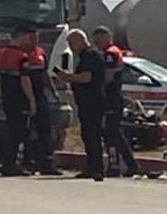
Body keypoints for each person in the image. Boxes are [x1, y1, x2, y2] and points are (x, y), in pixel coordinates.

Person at [55, 29, 106, 181]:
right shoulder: (85, 56)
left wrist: (67, 77)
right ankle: (91, 167)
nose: (70, 47)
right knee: (88, 135)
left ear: (80, 40)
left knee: (92, 135)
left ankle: (96, 168)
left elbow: (86, 78)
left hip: (93, 102)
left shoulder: (90, 55)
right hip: (86, 102)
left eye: (71, 43)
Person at [93, 26, 140, 178]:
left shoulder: (110, 54)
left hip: (110, 99)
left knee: (110, 134)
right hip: (115, 98)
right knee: (117, 134)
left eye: (98, 39)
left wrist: (97, 88)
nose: (96, 43)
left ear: (107, 37)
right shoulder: (114, 52)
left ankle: (114, 166)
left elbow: (108, 76)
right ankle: (132, 165)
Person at [0, 24, 34, 176]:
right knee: (19, 132)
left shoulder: (2, 53)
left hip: (7, 97)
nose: (30, 41)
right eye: (28, 37)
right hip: (19, 98)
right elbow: (25, 80)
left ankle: (6, 163)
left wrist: (0, 96)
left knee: (10, 130)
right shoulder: (22, 56)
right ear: (21, 37)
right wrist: (31, 100)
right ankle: (14, 164)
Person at [22, 38, 59, 175]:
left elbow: (45, 74)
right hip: (25, 97)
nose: (34, 41)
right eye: (31, 38)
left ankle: (46, 163)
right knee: (26, 131)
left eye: (36, 38)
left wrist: (53, 91)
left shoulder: (41, 53)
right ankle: (27, 162)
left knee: (45, 130)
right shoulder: (21, 55)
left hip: (41, 96)